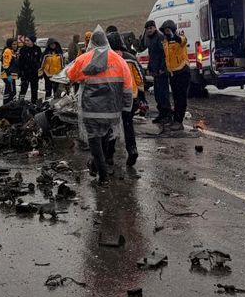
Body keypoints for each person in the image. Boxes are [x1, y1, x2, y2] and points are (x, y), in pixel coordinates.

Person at [66, 26, 133, 186]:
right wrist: (126, 107)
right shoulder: (118, 60)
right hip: (112, 109)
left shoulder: (85, 58)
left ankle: (102, 175)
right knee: (105, 135)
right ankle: (97, 168)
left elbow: (71, 75)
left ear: (92, 43)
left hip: (91, 108)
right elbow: (128, 84)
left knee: (94, 139)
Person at [107, 30, 147, 166]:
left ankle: (109, 154)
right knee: (128, 124)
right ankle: (132, 149)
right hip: (131, 96)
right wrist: (141, 95)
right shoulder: (130, 57)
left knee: (112, 126)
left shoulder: (107, 58)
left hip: (113, 98)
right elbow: (140, 78)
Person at [161, 19, 190, 131]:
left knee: (181, 97)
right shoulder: (166, 43)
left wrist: (174, 36)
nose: (166, 32)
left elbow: (182, 40)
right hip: (173, 73)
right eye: (165, 31)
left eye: (168, 30)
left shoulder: (179, 39)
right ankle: (175, 119)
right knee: (176, 98)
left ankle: (179, 121)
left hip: (182, 71)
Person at [144, 20, 172, 126]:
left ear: (155, 28)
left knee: (163, 94)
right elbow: (152, 56)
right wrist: (149, 67)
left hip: (161, 71)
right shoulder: (151, 39)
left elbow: (165, 54)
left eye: (150, 28)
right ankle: (162, 114)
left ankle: (167, 114)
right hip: (155, 71)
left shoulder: (160, 38)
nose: (149, 30)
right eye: (147, 29)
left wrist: (162, 68)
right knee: (157, 94)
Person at [17, 35, 42, 102]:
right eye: (25, 40)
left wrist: (40, 72)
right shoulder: (23, 49)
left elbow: (40, 61)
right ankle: (20, 102)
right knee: (23, 89)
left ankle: (34, 103)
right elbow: (20, 62)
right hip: (25, 73)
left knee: (34, 90)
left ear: (32, 41)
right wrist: (20, 72)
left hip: (34, 73)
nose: (26, 42)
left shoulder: (37, 49)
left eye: (28, 41)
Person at [0, 38, 18, 103]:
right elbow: (5, 65)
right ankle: (9, 106)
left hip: (11, 75)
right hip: (8, 75)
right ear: (10, 44)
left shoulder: (12, 51)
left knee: (8, 92)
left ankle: (6, 105)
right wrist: (9, 75)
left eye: (16, 44)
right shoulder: (8, 51)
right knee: (11, 92)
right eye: (13, 44)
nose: (15, 45)